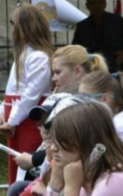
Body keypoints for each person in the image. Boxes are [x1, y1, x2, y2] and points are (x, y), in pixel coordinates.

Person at [11, 45, 109, 183]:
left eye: (57, 72)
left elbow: (60, 148)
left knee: (18, 189)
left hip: (72, 178)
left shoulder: (76, 104)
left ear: (77, 71)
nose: (53, 79)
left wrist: (33, 160)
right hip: (62, 174)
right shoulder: (69, 98)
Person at [0, 4, 53, 184]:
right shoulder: (23, 55)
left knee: (28, 165)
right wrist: (1, 115)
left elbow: (30, 96)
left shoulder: (39, 57)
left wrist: (11, 120)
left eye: (14, 23)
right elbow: (11, 90)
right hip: (17, 119)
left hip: (27, 120)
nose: (12, 28)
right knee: (17, 166)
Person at [79, 71, 123, 163]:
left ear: (105, 99)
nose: (78, 103)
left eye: (84, 98)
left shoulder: (117, 127)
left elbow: (91, 162)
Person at [72, 0, 123, 73]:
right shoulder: (82, 27)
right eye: (93, 3)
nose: (96, 6)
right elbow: (75, 49)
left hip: (114, 67)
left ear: (104, 4)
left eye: (99, 3)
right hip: (90, 69)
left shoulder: (116, 21)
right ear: (87, 6)